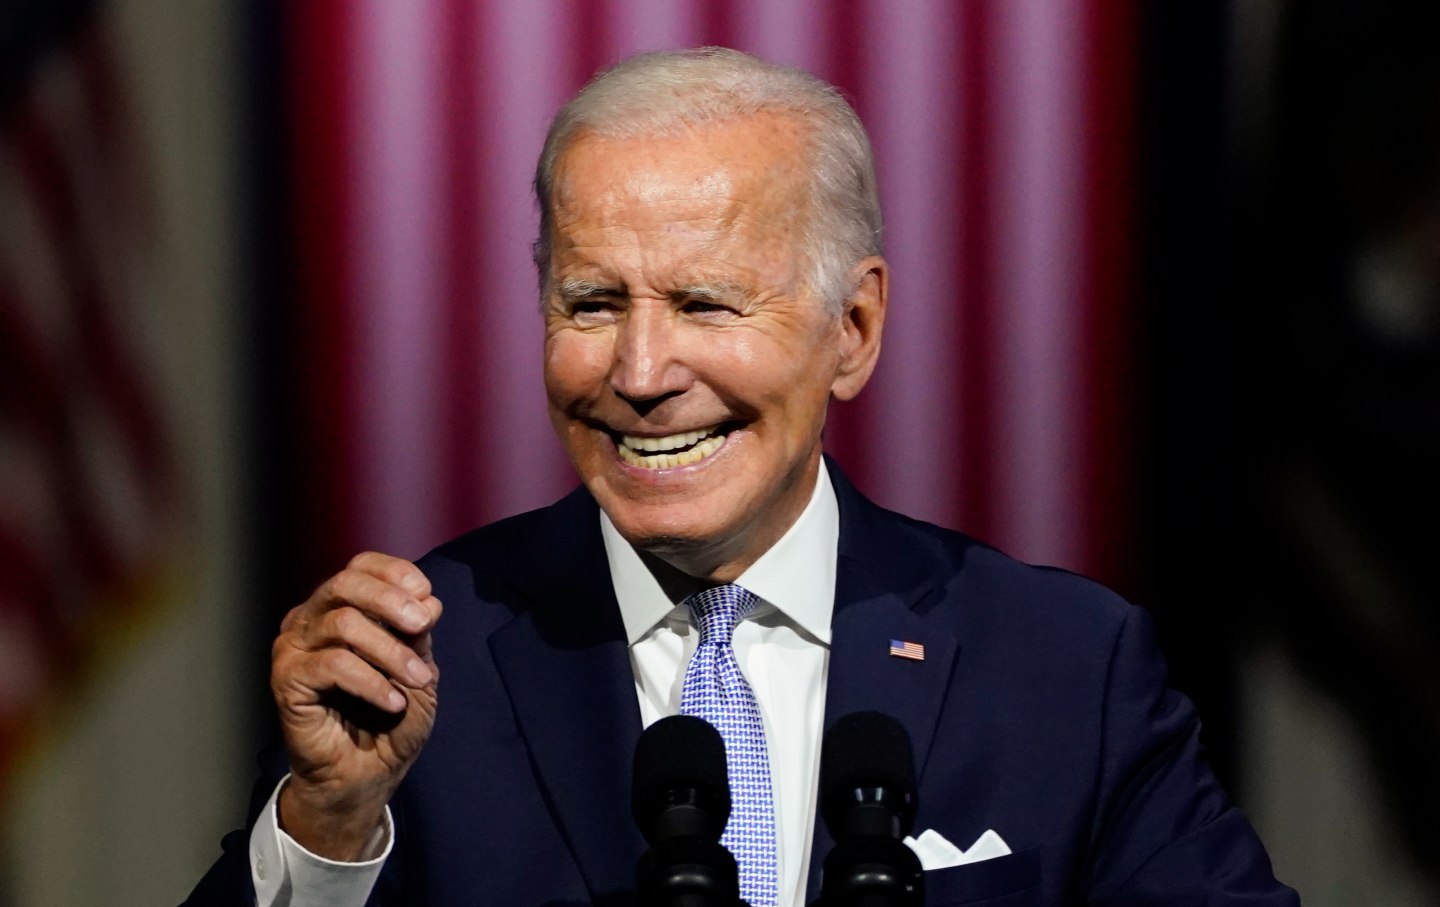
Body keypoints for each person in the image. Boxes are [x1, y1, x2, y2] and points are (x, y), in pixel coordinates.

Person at [186, 47, 1299, 906]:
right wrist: (327, 827)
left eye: (706, 303)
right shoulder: (417, 669)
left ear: (853, 329)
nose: (640, 371)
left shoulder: (1064, 666)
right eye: (592, 303)